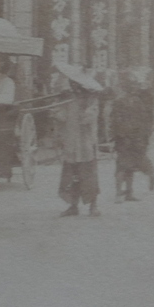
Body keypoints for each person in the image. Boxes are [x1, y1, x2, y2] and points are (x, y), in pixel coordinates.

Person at [55, 67, 103, 217]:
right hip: (71, 140)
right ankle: (73, 205)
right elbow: (62, 116)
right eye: (72, 83)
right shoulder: (67, 98)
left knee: (88, 175)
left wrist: (84, 108)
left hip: (86, 143)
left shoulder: (91, 99)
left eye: (76, 84)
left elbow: (90, 118)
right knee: (71, 174)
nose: (74, 86)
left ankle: (93, 206)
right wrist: (56, 112)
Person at [112, 70, 154, 202]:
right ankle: (121, 193)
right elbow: (140, 121)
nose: (134, 88)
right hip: (130, 138)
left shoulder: (127, 101)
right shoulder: (130, 102)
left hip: (128, 138)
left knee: (126, 166)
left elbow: (116, 121)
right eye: (133, 86)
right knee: (125, 166)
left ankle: (126, 193)